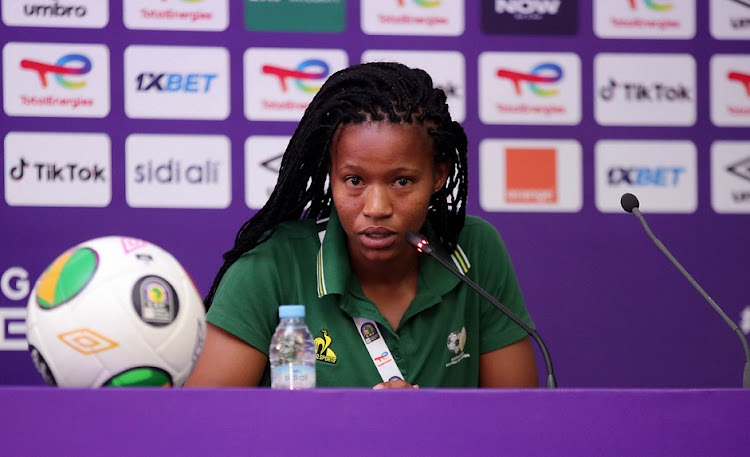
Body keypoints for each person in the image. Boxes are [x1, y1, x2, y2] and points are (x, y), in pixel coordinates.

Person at [185, 62, 538, 389]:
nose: (377, 208)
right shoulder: (270, 267)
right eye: (354, 180)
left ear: (438, 175)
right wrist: (358, 426)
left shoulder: (473, 250)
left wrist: (428, 424)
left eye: (401, 182)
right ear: (330, 174)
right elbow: (205, 427)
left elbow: (521, 423)